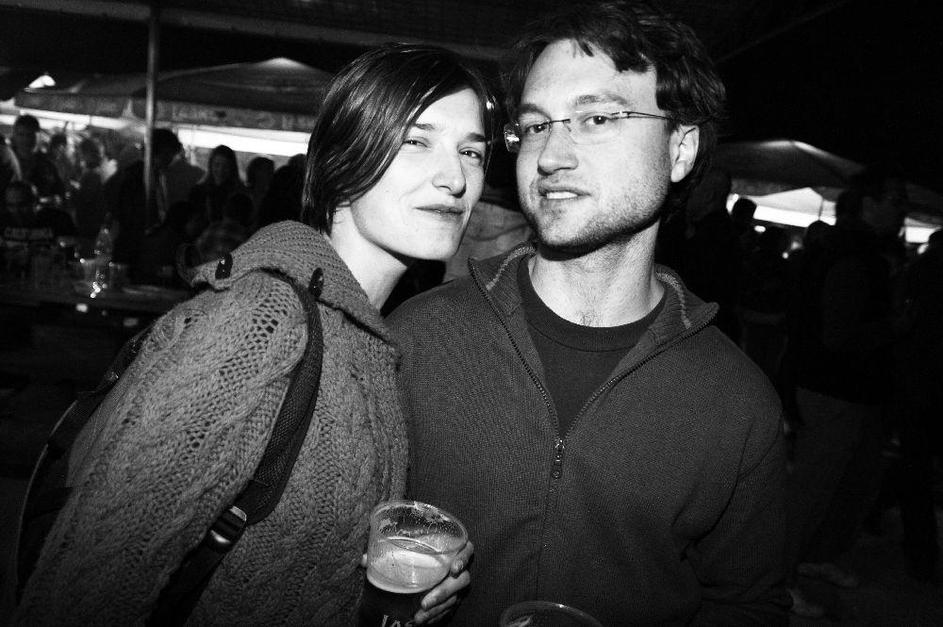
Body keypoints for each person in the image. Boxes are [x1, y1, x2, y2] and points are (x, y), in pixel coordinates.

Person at [11, 43, 494, 625]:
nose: (455, 178)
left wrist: (382, 602)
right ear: (341, 160)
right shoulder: (262, 322)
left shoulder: (369, 340)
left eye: (472, 151)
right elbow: (79, 591)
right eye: (417, 141)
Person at [391, 2, 790, 624]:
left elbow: (747, 605)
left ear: (680, 149)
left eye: (597, 118)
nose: (551, 155)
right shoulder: (415, 338)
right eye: (535, 126)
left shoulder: (737, 403)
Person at [188, 144, 248, 226]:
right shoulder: (198, 191)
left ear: (232, 168)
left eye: (226, 166)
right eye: (217, 165)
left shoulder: (239, 193)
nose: (220, 170)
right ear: (210, 166)